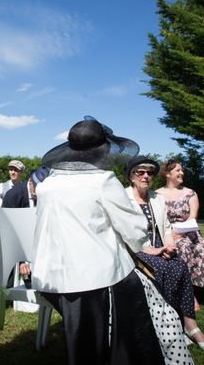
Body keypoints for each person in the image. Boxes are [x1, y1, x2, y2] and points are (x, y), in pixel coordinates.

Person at [32, 117, 192, 365]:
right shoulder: (103, 180)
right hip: (92, 278)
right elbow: (134, 227)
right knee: (143, 297)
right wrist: (140, 244)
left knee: (82, 341)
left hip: (51, 278)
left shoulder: (46, 185)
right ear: (101, 150)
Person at [125, 155, 204, 352]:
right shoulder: (123, 198)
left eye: (150, 172)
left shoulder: (157, 198)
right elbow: (124, 231)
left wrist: (169, 246)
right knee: (163, 270)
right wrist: (151, 250)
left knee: (180, 265)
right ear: (131, 176)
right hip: (136, 248)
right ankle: (172, 325)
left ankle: (191, 325)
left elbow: (166, 227)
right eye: (140, 172)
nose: (145, 176)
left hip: (161, 245)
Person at [157, 159, 204, 312]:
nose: (182, 173)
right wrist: (170, 234)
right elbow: (159, 219)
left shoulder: (189, 193)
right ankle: (191, 295)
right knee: (182, 252)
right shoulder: (157, 195)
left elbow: (192, 216)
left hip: (189, 232)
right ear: (168, 174)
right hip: (170, 235)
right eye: (178, 170)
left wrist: (180, 232)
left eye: (182, 170)